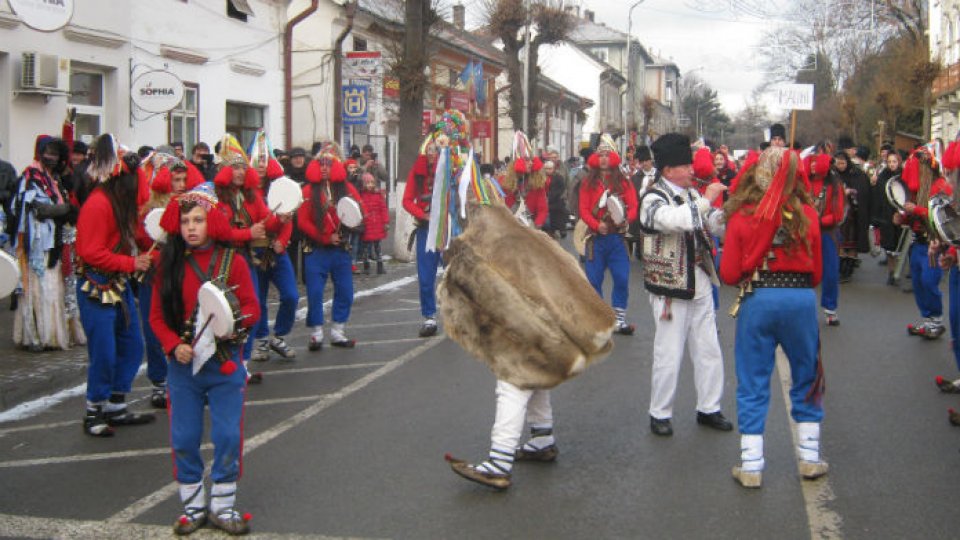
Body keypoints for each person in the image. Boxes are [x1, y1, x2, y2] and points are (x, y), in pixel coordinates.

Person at [149, 183, 258, 535]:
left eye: (198, 220)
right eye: (185, 222)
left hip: (224, 364)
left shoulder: (233, 262)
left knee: (227, 435)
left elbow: (253, 309)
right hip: (183, 367)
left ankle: (223, 506)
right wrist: (172, 345)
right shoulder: (168, 265)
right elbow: (156, 317)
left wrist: (229, 326)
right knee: (184, 437)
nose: (191, 227)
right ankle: (193, 507)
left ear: (211, 222)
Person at [719, 146, 827, 488]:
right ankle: (809, 458)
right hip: (800, 300)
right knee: (807, 375)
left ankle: (751, 465)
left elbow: (729, 273)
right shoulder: (808, 214)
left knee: (752, 380)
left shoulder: (742, 215)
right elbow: (817, 274)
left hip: (758, 301)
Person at [637, 133, 732, 436]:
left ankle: (709, 407)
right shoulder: (653, 198)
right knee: (669, 351)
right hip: (670, 287)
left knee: (708, 347)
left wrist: (730, 212)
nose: (692, 170)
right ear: (668, 170)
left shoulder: (692, 194)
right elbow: (674, 220)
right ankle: (660, 412)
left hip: (700, 279)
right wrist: (707, 201)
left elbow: (711, 223)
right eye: (686, 165)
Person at [75, 134, 155, 436]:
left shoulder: (121, 205)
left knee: (132, 345)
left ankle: (116, 405)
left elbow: (140, 237)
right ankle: (94, 409)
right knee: (104, 352)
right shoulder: (98, 205)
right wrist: (132, 264)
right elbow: (90, 252)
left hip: (117, 284)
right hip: (94, 285)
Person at [213, 138, 283, 381]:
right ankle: (221, 361)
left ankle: (242, 363)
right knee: (221, 312)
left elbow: (267, 220)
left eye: (243, 167)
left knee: (248, 309)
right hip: (219, 260)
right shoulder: (214, 196)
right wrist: (247, 234)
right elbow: (218, 232)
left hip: (242, 259)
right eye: (235, 167)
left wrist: (281, 219)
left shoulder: (251, 196)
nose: (241, 172)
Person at [135, 159, 200, 408]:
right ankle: (159, 382)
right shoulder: (148, 212)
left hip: (183, 274)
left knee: (188, 323)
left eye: (184, 180)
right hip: (156, 275)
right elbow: (141, 241)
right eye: (176, 180)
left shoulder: (192, 208)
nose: (181, 185)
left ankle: (191, 377)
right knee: (155, 328)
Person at [12, 135, 83, 351]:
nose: (51, 157)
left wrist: (68, 209)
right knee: (38, 287)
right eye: (48, 153)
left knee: (54, 287)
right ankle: (37, 335)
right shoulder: (30, 176)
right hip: (37, 243)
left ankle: (52, 334)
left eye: (55, 154)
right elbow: (36, 209)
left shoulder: (55, 178)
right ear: (39, 153)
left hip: (56, 241)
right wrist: (64, 210)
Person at [298, 144, 362, 350]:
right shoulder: (308, 191)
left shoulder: (347, 189)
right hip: (316, 249)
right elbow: (302, 222)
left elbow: (359, 212)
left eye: (329, 164)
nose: (324, 168)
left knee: (345, 291)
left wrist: (354, 224)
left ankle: (338, 331)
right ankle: (316, 333)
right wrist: (325, 237)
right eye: (321, 164)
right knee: (315, 292)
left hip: (340, 250)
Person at [578, 136, 638, 335]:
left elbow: (633, 206)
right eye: (600, 155)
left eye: (607, 155)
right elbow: (583, 209)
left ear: (613, 157)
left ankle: (619, 319)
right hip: (596, 239)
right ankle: (598, 319)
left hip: (617, 239)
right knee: (594, 280)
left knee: (621, 278)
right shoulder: (588, 183)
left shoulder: (624, 182)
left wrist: (624, 220)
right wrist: (597, 225)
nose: (603, 159)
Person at [898, 150, 951, 339]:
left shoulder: (941, 186)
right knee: (918, 282)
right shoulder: (918, 189)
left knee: (929, 281)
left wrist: (918, 210)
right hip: (917, 242)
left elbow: (944, 216)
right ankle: (927, 320)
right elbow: (912, 216)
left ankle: (936, 321)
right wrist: (902, 217)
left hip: (934, 243)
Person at [249, 156, 298, 362]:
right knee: (258, 300)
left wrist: (282, 241)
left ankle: (279, 336)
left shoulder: (278, 189)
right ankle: (261, 340)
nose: (261, 165)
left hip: (276, 252)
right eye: (257, 161)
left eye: (264, 161)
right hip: (254, 252)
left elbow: (287, 220)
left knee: (291, 295)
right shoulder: (247, 193)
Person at [402, 140, 442, 337]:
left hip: (447, 230)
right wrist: (422, 215)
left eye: (436, 150)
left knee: (455, 273)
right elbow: (406, 200)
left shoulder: (450, 171)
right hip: (426, 230)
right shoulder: (417, 173)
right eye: (429, 150)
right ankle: (429, 317)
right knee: (426, 277)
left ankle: (458, 313)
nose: (432, 153)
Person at [807, 153, 844, 325]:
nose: (813, 166)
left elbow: (838, 214)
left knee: (830, 272)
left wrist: (819, 221)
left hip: (827, 233)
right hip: (806, 232)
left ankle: (830, 308)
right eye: (811, 162)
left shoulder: (835, 186)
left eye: (816, 163)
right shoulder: (804, 183)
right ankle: (804, 307)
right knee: (804, 271)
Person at [834, 151, 872, 281]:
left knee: (852, 244)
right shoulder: (833, 174)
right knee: (840, 243)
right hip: (838, 215)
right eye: (838, 163)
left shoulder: (857, 175)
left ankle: (848, 270)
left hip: (854, 215)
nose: (840, 166)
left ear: (847, 162)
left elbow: (863, 192)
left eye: (843, 163)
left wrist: (851, 192)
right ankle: (840, 269)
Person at [872, 151, 903, 285]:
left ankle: (899, 272)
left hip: (901, 215)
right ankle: (892, 273)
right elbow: (878, 197)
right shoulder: (883, 176)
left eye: (894, 161)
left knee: (900, 245)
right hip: (886, 215)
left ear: (898, 162)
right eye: (889, 162)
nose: (892, 164)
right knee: (889, 246)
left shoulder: (903, 175)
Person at [358, 172, 389, 275]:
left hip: (377, 224)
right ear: (364, 184)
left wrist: (385, 222)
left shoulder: (378, 195)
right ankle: (366, 266)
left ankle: (380, 266)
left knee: (378, 247)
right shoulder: (361, 195)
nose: (370, 185)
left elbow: (383, 209)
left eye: (372, 182)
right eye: (368, 183)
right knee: (366, 248)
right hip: (367, 225)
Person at [543, 160, 568, 238]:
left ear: (553, 169)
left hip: (556, 201)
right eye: (546, 168)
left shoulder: (559, 177)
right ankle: (551, 230)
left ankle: (562, 230)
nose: (548, 170)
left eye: (550, 169)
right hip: (545, 200)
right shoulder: (542, 177)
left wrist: (549, 198)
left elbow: (559, 189)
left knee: (558, 215)